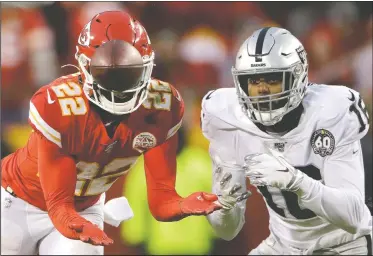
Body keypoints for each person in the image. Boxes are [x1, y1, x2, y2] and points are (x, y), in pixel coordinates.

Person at [1, 11, 221, 255]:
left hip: (84, 207)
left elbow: (162, 202)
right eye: (109, 71)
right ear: (85, 66)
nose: (120, 85)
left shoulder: (163, 107)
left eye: (129, 71)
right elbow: (59, 207)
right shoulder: (60, 105)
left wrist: (181, 205)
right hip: (20, 202)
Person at [202, 27, 372, 255]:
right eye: (253, 81)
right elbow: (227, 231)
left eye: (272, 79)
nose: (262, 90)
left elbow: (355, 218)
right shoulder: (225, 116)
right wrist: (225, 208)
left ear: (297, 76)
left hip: (344, 243)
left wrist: (295, 182)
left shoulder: (331, 110)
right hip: (283, 245)